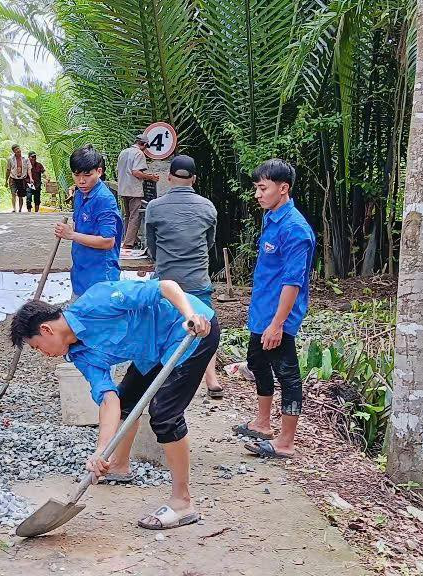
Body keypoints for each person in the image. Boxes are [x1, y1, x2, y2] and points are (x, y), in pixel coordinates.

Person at [10, 279, 219, 530]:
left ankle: (183, 502)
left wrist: (190, 316)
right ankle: (118, 466)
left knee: (165, 415)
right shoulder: (80, 354)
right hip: (151, 351)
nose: (43, 353)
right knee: (127, 399)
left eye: (37, 347)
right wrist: (100, 451)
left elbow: (165, 287)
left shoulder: (99, 300)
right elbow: (109, 399)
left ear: (46, 330)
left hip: (188, 333)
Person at [234, 159, 316, 459]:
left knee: (288, 376)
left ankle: (285, 442)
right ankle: (263, 423)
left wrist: (278, 324)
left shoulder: (296, 230)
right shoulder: (272, 216)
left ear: (284, 189)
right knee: (257, 363)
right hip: (262, 311)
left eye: (262, 188)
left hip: (279, 316)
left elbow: (293, 282)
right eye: (257, 188)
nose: (257, 194)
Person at [144, 154, 224, 399]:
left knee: (161, 328)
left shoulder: (154, 207)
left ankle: (160, 379)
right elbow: (209, 242)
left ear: (169, 178)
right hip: (198, 280)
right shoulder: (208, 207)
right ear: (195, 179)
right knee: (205, 329)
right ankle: (211, 380)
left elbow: (152, 246)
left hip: (167, 281)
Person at [59, 145, 123, 299]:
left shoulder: (104, 200)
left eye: (87, 175)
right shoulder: (80, 193)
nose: (81, 181)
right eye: (76, 175)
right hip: (81, 272)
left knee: (99, 320)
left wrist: (71, 235)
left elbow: (108, 241)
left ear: (99, 172)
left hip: (100, 276)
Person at [115, 135, 158, 253]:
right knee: (135, 216)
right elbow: (136, 172)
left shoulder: (123, 152)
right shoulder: (139, 153)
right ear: (143, 144)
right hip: (134, 189)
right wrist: (151, 177)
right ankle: (128, 244)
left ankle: (130, 239)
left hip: (123, 188)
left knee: (127, 216)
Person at [5, 144, 30, 213]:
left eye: (18, 149)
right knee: (13, 193)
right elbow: (8, 170)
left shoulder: (25, 158)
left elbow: (29, 169)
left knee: (20, 195)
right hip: (13, 178)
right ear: (14, 152)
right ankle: (14, 209)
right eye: (16, 150)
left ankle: (20, 209)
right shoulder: (10, 159)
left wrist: (30, 178)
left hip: (22, 179)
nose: (18, 150)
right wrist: (6, 181)